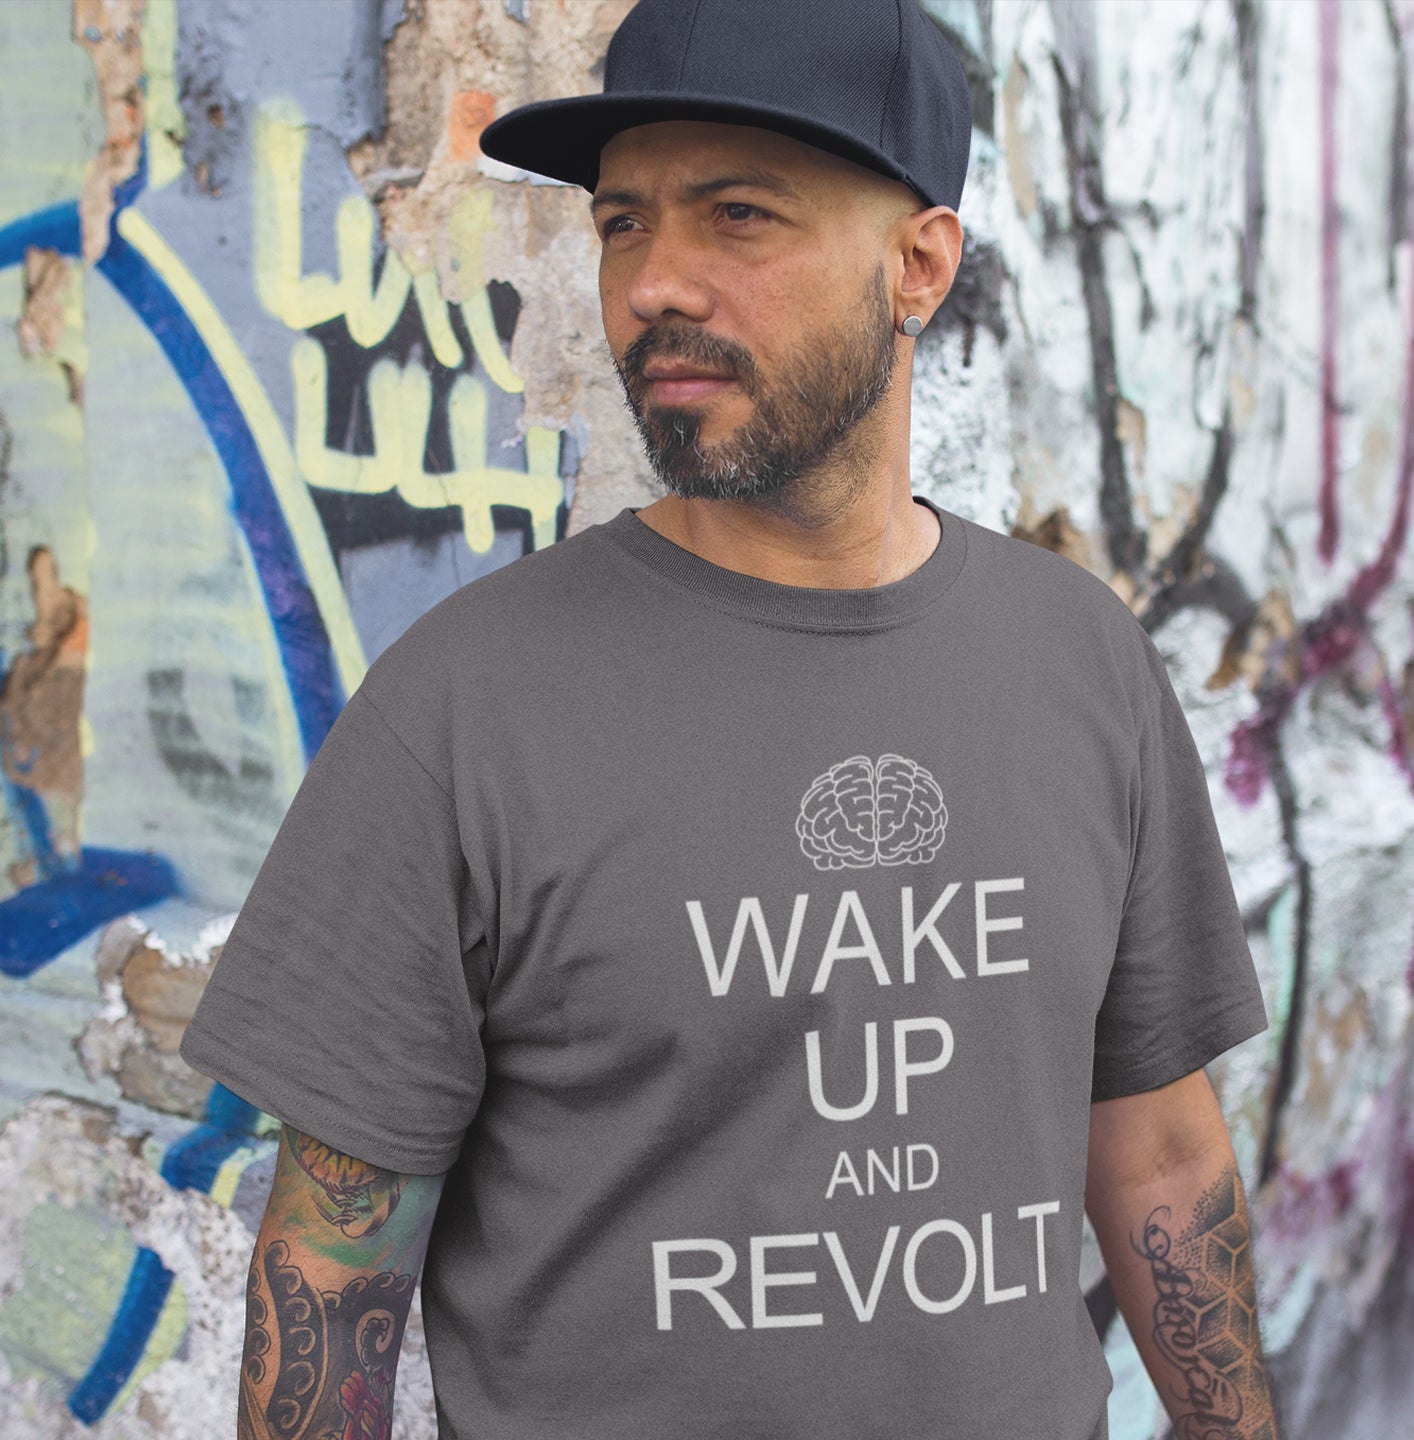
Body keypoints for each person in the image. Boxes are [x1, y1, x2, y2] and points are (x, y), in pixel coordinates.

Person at [181, 1, 1281, 1436]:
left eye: (738, 217)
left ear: (920, 266)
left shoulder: (1084, 665)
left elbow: (1162, 1158)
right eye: (626, 223)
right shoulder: (465, 712)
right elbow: (327, 1273)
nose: (653, 285)